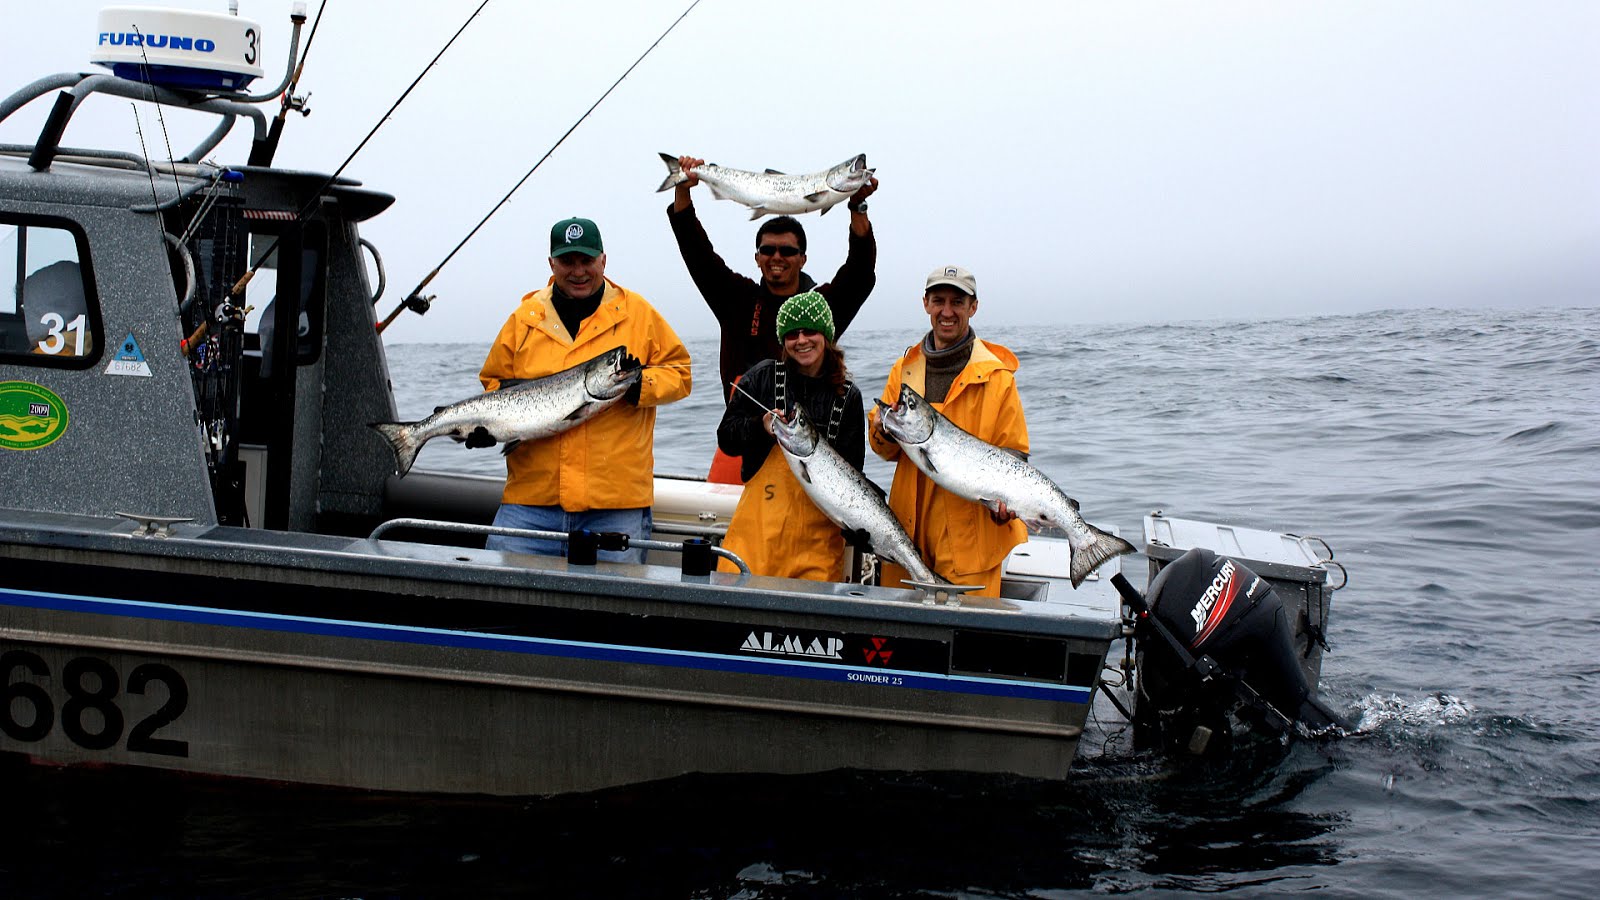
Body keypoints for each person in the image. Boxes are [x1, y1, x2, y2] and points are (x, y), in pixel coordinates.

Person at [477, 216, 692, 563]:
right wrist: (490, 426)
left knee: (613, 611)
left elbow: (681, 374)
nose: (578, 271)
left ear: (603, 260)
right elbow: (494, 382)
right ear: (552, 263)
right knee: (505, 599)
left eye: (586, 260)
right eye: (567, 261)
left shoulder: (639, 314)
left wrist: (640, 385)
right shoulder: (524, 319)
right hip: (530, 501)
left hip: (615, 504)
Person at [666, 154, 878, 483]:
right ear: (757, 257)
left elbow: (861, 274)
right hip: (743, 439)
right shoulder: (737, 299)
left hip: (812, 449)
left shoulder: (822, 308)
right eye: (768, 250)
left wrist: (857, 209)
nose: (776, 257)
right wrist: (683, 192)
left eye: (787, 251)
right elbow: (698, 256)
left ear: (803, 258)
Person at [867, 265, 1028, 598]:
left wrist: (1008, 504)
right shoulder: (904, 369)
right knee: (901, 643)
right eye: (938, 300)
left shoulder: (998, 379)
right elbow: (884, 450)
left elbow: (1014, 453)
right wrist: (881, 427)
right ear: (925, 304)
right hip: (906, 539)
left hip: (970, 543)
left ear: (973, 307)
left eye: (958, 302)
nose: (947, 311)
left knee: (968, 644)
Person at [715, 291, 864, 581]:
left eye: (810, 331)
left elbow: (853, 473)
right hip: (755, 540)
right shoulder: (761, 378)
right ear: (783, 341)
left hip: (818, 546)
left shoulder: (848, 397)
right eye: (792, 334)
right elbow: (726, 439)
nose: (801, 341)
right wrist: (762, 425)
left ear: (827, 335)